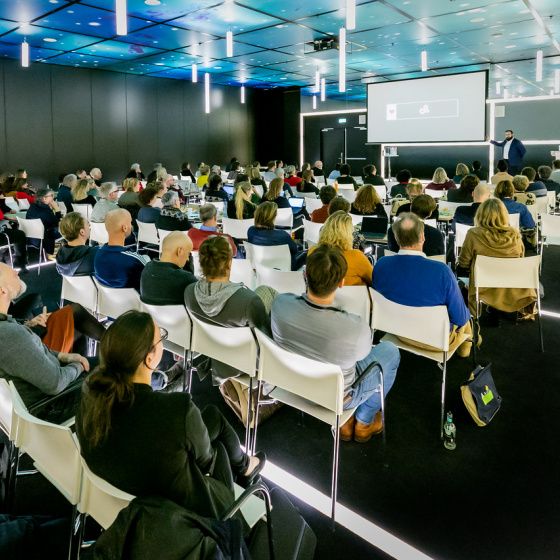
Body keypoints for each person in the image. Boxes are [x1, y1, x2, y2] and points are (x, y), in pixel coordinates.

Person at [76, 310, 265, 519]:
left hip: (111, 500)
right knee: (219, 446)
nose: (162, 343)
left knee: (211, 419)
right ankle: (246, 469)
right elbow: (206, 461)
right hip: (176, 516)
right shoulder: (176, 410)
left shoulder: (91, 394)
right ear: (150, 358)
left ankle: (246, 466)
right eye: (161, 338)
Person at [271, 244, 400, 441]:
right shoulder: (354, 329)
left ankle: (346, 422)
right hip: (340, 398)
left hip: (293, 386)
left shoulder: (279, 304)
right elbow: (362, 356)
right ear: (341, 283)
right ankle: (364, 421)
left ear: (305, 275)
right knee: (390, 351)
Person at [0, 262, 106, 420]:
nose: (16, 271)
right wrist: (77, 365)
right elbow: (55, 383)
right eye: (13, 274)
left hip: (41, 393)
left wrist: (65, 356)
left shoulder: (8, 327)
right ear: (2, 291)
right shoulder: (9, 334)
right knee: (116, 369)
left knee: (105, 360)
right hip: (49, 405)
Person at [374, 213, 474, 357]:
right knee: (465, 314)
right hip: (438, 340)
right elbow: (460, 319)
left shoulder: (381, 265)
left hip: (397, 332)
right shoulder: (442, 271)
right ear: (423, 237)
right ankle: (468, 345)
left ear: (396, 238)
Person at [185, 236, 273, 384]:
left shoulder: (189, 293)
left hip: (213, 350)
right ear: (229, 263)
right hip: (245, 362)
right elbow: (267, 341)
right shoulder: (248, 301)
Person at [458, 198, 536, 318]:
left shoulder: (473, 234)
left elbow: (464, 263)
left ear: (480, 214)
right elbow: (521, 261)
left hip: (482, 286)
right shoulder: (515, 236)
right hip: (511, 286)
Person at [310, 211, 372, 286]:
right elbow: (374, 281)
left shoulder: (312, 252)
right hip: (355, 296)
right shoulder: (356, 257)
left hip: (322, 296)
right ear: (349, 233)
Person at [94, 209, 149, 289]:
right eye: (130, 222)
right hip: (132, 299)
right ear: (125, 228)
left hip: (107, 299)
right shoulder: (133, 260)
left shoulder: (97, 254)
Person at [140, 232, 196, 305]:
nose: (188, 259)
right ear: (179, 251)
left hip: (151, 315)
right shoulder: (186, 279)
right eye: (188, 254)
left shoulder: (147, 269)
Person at [248, 202, 306, 270]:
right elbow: (294, 250)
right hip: (284, 269)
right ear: (274, 217)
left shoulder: (251, 231)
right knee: (305, 253)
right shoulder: (283, 235)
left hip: (260, 266)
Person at [56, 212, 99, 276]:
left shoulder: (60, 255)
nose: (89, 227)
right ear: (82, 232)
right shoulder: (95, 255)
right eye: (88, 225)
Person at [26, 188, 62, 259]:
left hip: (32, 236)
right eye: (51, 195)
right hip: (45, 236)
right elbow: (57, 222)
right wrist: (57, 209)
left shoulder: (33, 206)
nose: (53, 197)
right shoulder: (45, 210)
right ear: (44, 198)